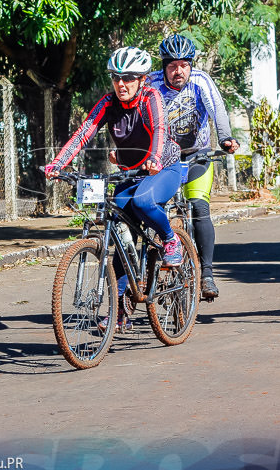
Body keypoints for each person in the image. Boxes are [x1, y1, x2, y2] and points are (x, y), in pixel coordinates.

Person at [44, 46, 184, 329]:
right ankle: (120, 309)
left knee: (144, 202)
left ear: (142, 79)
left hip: (164, 167)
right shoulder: (108, 103)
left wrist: (155, 159)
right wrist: (58, 163)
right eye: (117, 78)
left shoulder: (151, 97)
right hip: (130, 173)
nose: (122, 84)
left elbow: (159, 130)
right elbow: (85, 131)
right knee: (119, 229)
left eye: (129, 78)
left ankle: (171, 239)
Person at [147, 34, 239, 300]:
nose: (179, 71)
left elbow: (217, 110)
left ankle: (207, 274)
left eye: (184, 65)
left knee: (199, 207)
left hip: (197, 154)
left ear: (191, 65)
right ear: (164, 66)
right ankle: (151, 269)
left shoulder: (200, 80)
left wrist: (225, 138)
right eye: (173, 65)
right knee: (153, 210)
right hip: (163, 159)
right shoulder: (151, 84)